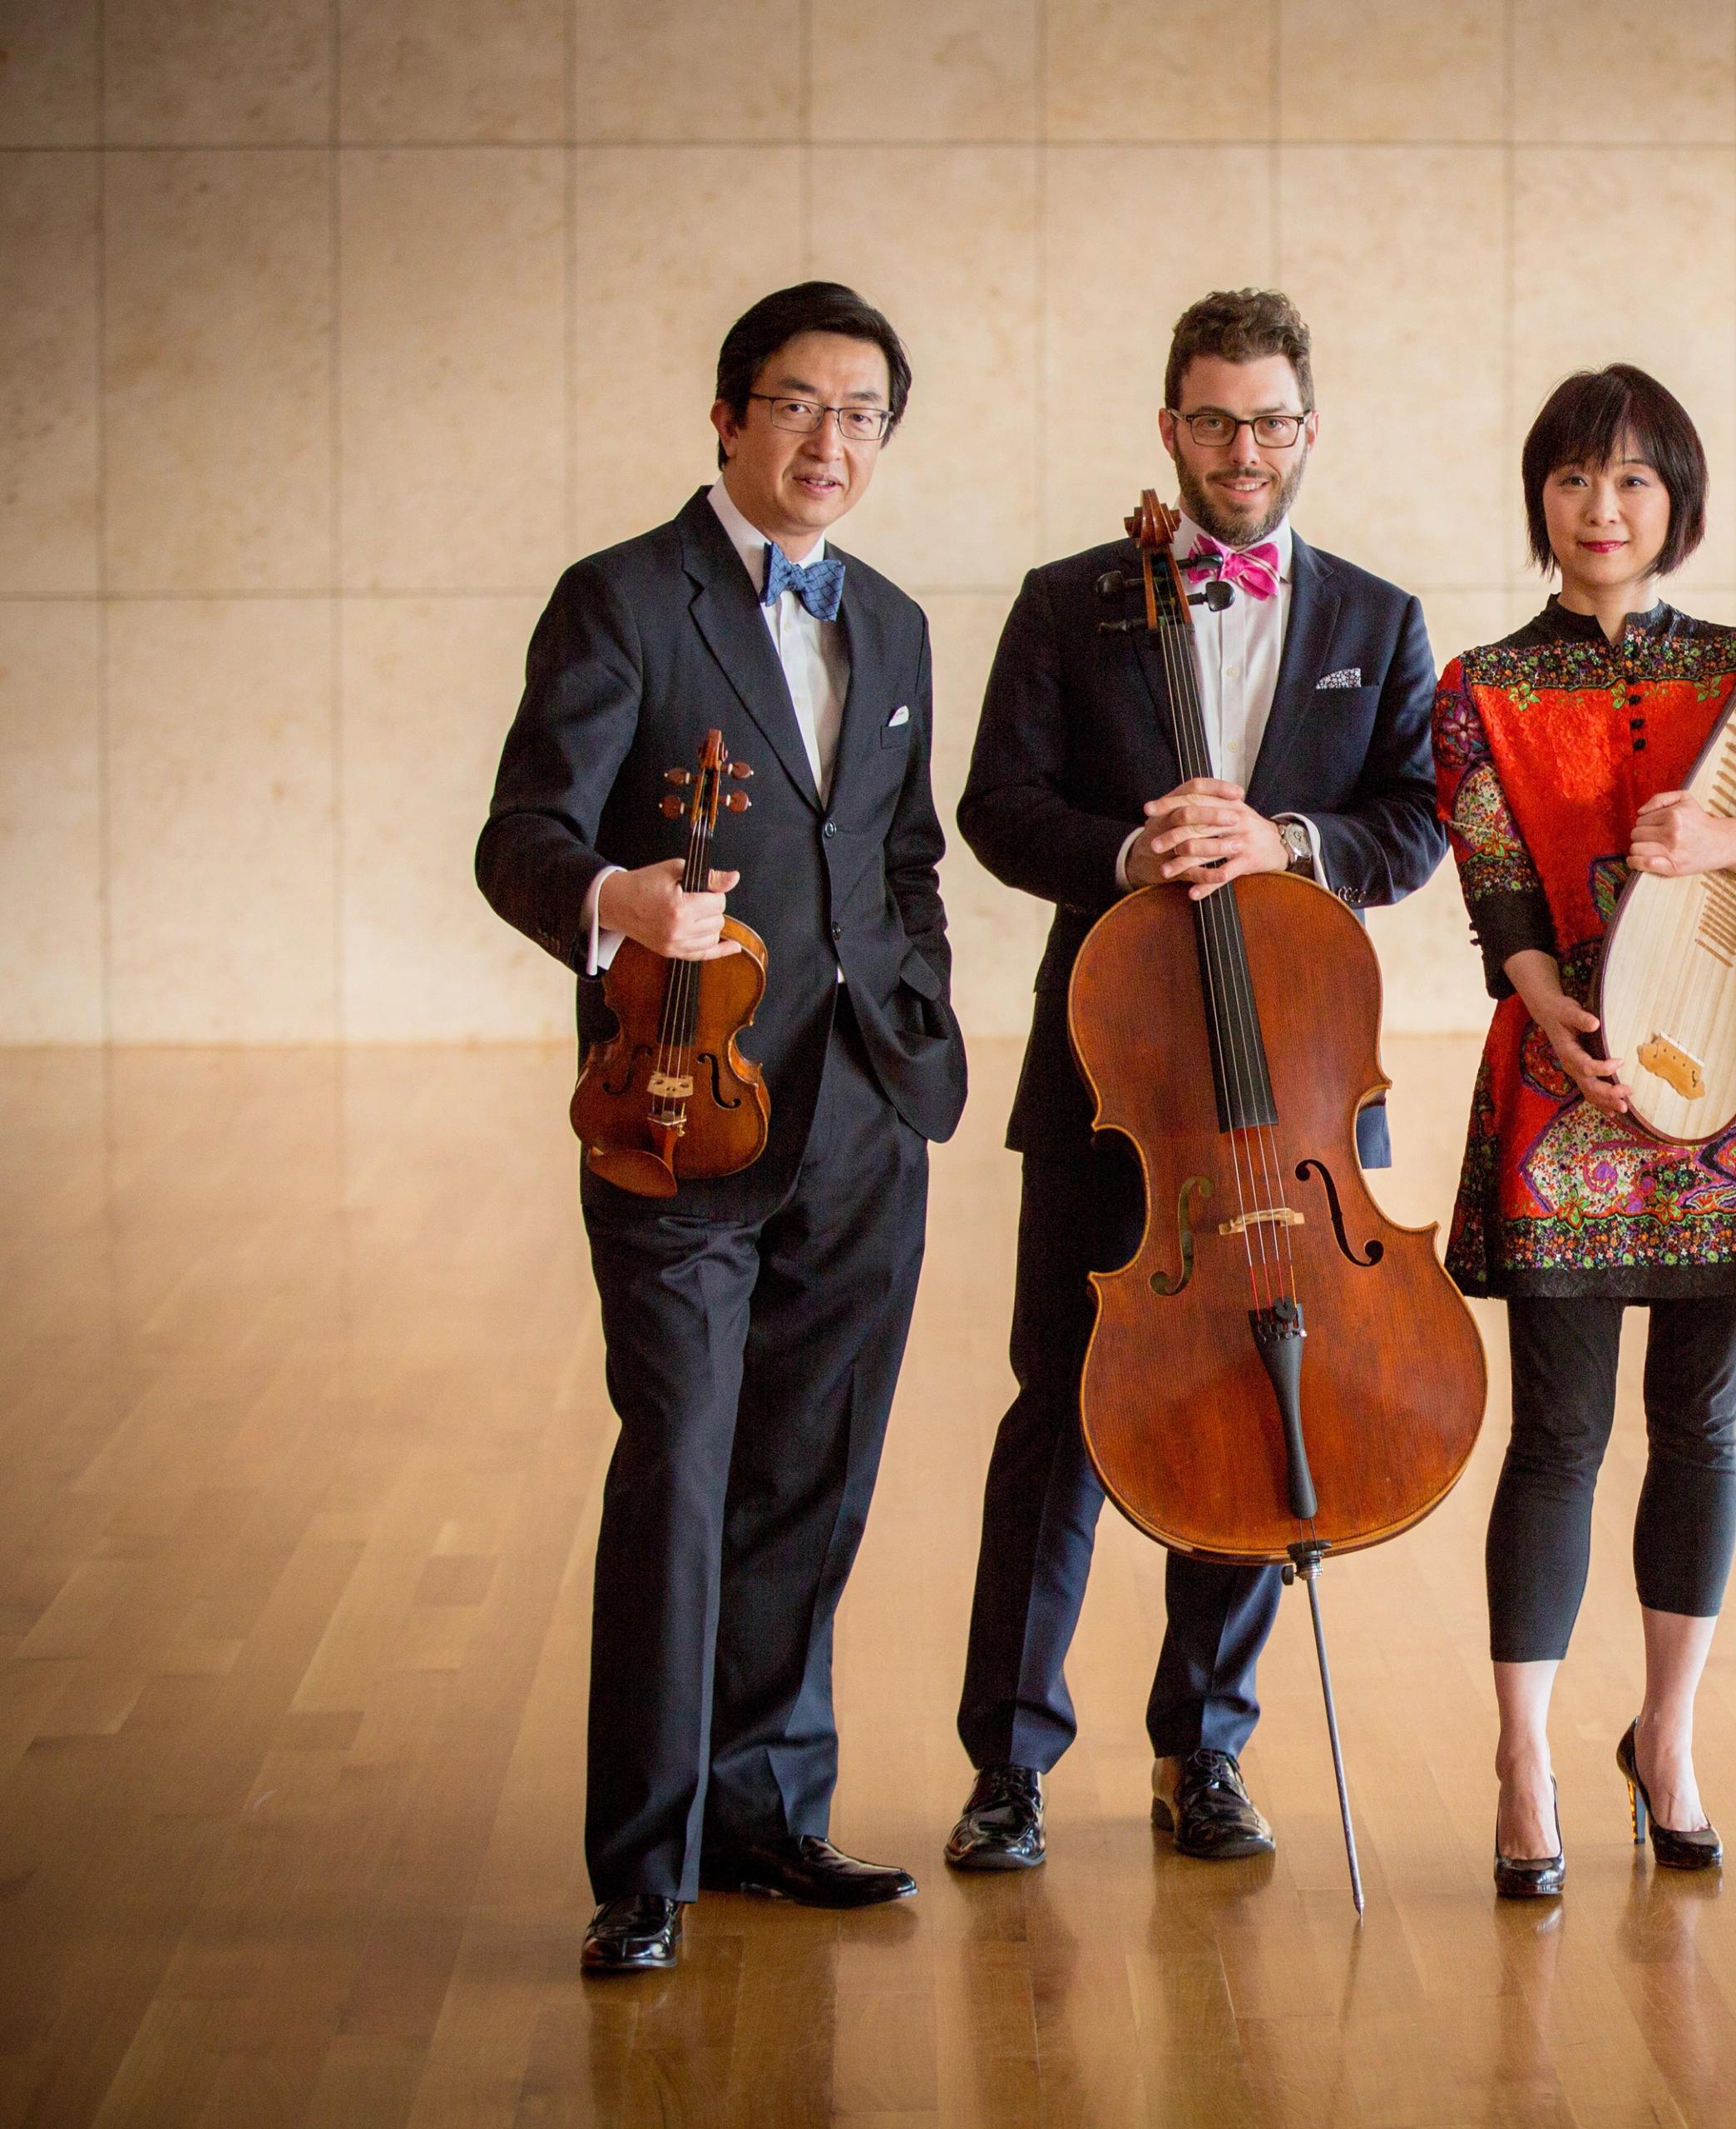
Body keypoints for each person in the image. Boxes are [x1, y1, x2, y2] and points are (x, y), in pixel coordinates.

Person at [478, 283, 967, 1974]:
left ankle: (768, 1805)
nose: (833, 443)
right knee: (683, 1471)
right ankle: (646, 1861)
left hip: (858, 1117)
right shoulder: (623, 598)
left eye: (864, 414)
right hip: (675, 1111)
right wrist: (609, 894)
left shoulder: (895, 625)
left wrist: (918, 1021)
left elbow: (901, 856)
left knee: (809, 1475)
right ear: (726, 417)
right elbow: (520, 829)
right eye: (799, 406)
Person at [947, 289, 1447, 1873]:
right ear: (1170, 426)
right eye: (1216, 421)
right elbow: (995, 805)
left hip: (1293, 1095)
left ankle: (1205, 1752)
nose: (1245, 450)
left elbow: (1416, 822)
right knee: (1058, 1413)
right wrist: (1124, 851)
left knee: (1257, 1397)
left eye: (1273, 421)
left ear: (1312, 428)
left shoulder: (1376, 618)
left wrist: (1287, 843)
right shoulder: (1067, 600)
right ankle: (1008, 1767)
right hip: (1124, 1073)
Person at [1435, 364, 1736, 1898]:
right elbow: (1490, 881)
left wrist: (1725, 835)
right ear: (1540, 496)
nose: (1601, 511)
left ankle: (1667, 1737)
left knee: (1706, 1425)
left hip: (1729, 1079)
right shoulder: (1479, 681)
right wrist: (1547, 1005)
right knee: (1559, 1435)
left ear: (1677, 503)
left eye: (1633, 484)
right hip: (1569, 1081)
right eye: (1571, 481)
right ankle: (1525, 1755)